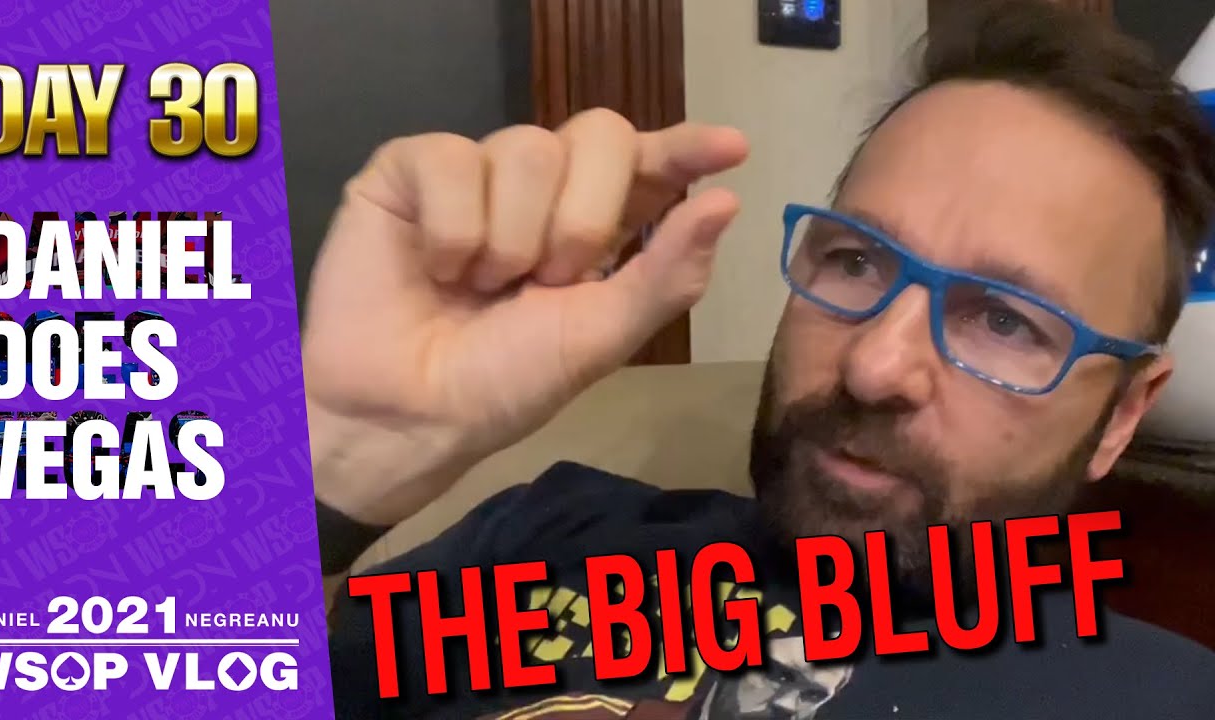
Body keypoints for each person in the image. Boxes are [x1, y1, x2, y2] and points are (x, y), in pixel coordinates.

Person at [304, 2, 1215, 718]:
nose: (874, 367)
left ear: (1122, 416)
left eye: (1007, 321)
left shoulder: (1160, 697)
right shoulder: (551, 532)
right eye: (856, 261)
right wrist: (335, 466)